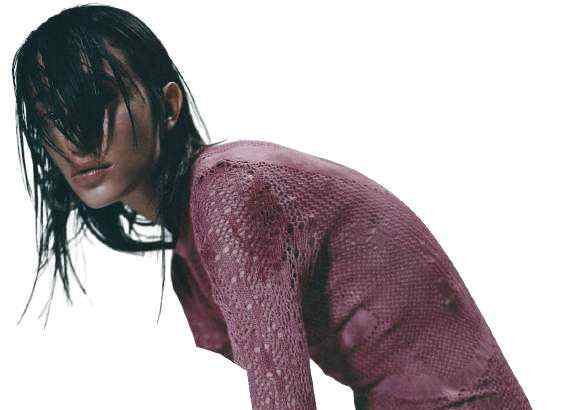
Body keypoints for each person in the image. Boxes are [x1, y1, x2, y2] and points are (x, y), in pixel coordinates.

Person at [11, 5, 532, 410]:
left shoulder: (227, 193)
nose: (75, 137)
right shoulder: (196, 237)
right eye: (51, 114)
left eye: (98, 98)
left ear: (168, 106)